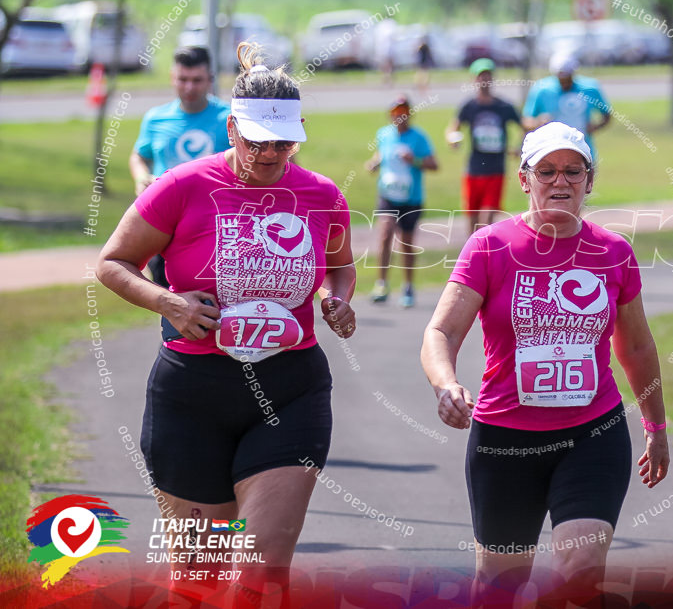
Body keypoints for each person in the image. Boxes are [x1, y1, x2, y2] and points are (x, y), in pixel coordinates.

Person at [97, 42, 357, 602]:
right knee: (198, 581)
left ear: (300, 132)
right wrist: (170, 303)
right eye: (257, 139)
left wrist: (339, 300)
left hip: (291, 389)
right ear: (232, 127)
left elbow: (341, 266)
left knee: (262, 574)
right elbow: (112, 264)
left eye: (283, 141)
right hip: (193, 396)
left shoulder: (321, 196)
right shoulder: (183, 186)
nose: (269, 153)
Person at [421, 121, 669, 604]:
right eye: (547, 171)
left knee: (579, 571)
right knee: (499, 587)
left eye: (573, 172)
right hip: (505, 440)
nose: (561, 182)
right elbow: (441, 331)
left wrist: (656, 428)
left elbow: (636, 348)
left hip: (592, 434)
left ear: (590, 180)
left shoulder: (613, 251)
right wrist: (445, 383)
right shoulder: (490, 247)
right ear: (524, 179)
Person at [130, 46, 231, 288]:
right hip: (165, 224)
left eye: (197, 80)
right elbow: (139, 155)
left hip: (214, 225)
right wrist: (141, 177)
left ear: (210, 80)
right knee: (169, 297)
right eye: (182, 79)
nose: (189, 87)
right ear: (172, 78)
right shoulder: (156, 118)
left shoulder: (229, 119)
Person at [365, 95, 438, 307]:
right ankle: (382, 284)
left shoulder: (419, 138)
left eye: (404, 112)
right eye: (397, 112)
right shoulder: (384, 135)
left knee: (406, 242)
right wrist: (374, 164)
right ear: (391, 115)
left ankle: (407, 287)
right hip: (388, 194)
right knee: (385, 234)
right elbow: (382, 156)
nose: (401, 116)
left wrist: (413, 160)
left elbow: (434, 164)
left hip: (411, 197)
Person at [446, 58, 527, 234]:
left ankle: (485, 255)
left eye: (487, 76)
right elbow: (453, 127)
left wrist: (519, 148)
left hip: (496, 169)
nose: (484, 80)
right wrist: (453, 139)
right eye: (481, 76)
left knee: (487, 218)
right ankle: (472, 255)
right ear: (474, 80)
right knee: (472, 219)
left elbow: (524, 127)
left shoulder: (504, 106)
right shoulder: (469, 106)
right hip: (474, 169)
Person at [522, 52, 611, 164]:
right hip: (549, 152)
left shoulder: (590, 88)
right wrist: (538, 122)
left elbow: (607, 115)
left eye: (567, 77)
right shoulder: (542, 89)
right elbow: (526, 121)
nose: (563, 82)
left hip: (582, 151)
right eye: (560, 78)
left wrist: (595, 127)